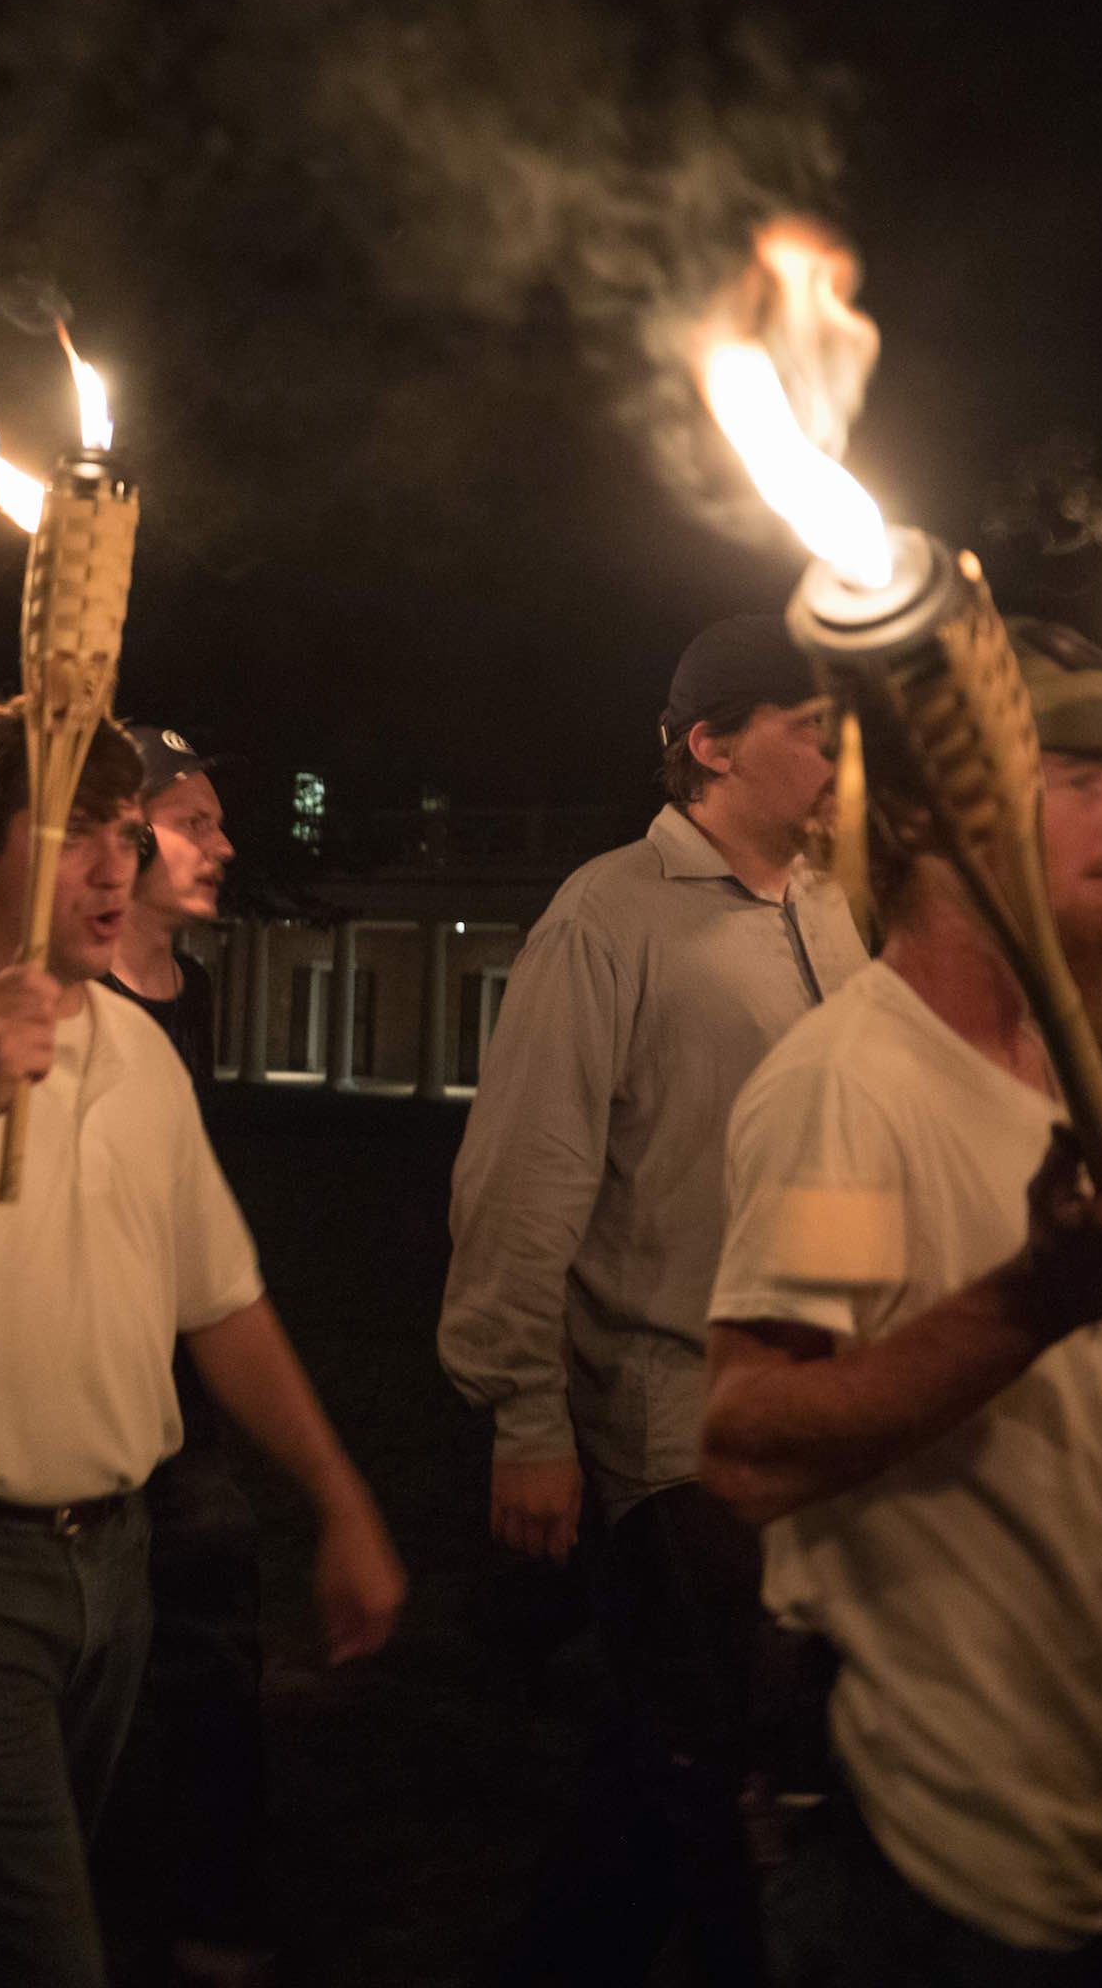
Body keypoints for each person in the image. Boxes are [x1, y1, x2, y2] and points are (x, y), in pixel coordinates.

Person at [0, 700, 402, 1988]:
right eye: (69, 836)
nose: (114, 868)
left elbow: (221, 1298)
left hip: (110, 1563)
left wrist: (339, 1494)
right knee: (42, 1947)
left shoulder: (138, 1057)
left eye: (119, 833)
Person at [705, 628, 1102, 1982]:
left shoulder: (1043, 1071)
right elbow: (746, 1443)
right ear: (917, 811)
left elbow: (1043, 1450)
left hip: (1077, 1833)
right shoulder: (851, 1085)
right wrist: (1044, 1297)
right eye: (1085, 778)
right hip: (915, 1865)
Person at [435, 616, 863, 1983]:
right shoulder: (610, 912)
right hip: (676, 1418)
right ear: (711, 744)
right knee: (731, 1779)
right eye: (810, 724)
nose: (841, 748)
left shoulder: (840, 915)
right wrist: (526, 1416)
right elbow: (528, 1171)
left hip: (832, 1408)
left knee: (684, 1760)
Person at [93, 719, 266, 1985]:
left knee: (207, 1638)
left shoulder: (186, 997)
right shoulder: (71, 1003)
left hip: (187, 1381)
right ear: (120, 832)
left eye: (214, 820)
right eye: (192, 820)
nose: (221, 842)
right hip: (89, 1387)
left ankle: (202, 1903)